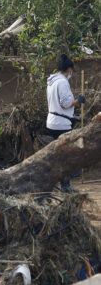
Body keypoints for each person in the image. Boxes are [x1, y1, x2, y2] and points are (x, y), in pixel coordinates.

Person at [45, 54, 86, 192]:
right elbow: (66, 103)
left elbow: (57, 104)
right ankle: (65, 185)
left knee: (61, 154)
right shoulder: (62, 82)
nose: (71, 74)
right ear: (69, 69)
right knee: (66, 154)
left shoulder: (51, 81)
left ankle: (60, 183)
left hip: (52, 122)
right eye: (71, 72)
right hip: (60, 124)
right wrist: (78, 101)